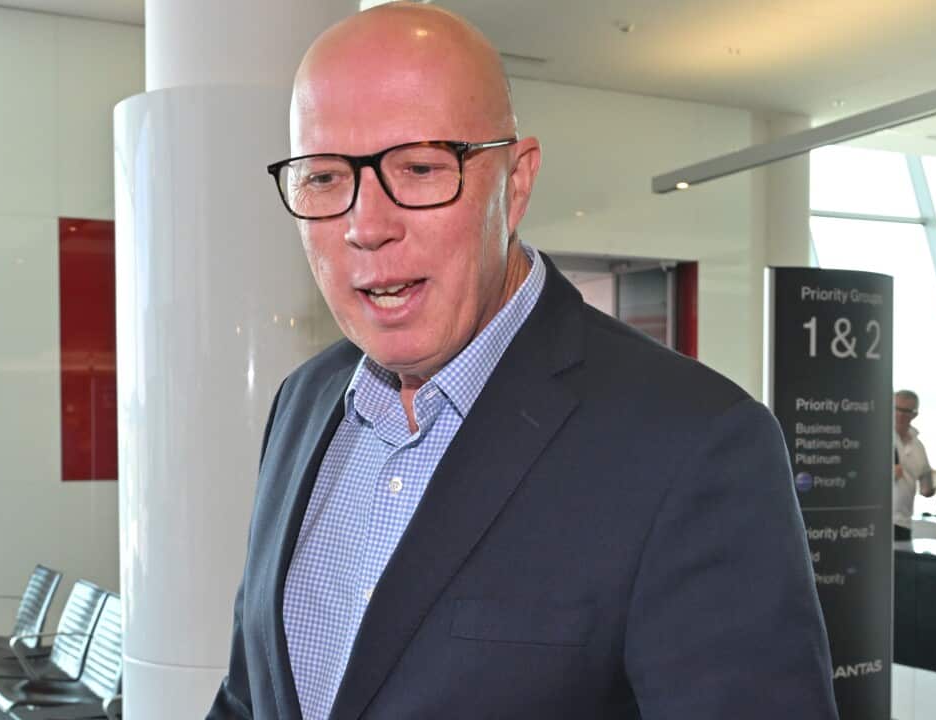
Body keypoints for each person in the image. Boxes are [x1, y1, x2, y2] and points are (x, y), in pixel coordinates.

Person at [207, 5, 837, 719]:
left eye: (418, 168)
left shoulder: (696, 446)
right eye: (322, 178)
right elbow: (247, 696)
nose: (366, 227)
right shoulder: (303, 400)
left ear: (517, 181)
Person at [893, 389, 936, 541]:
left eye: (906, 411)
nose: (900, 414)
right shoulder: (879, 437)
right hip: (880, 520)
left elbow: (926, 486)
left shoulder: (918, 446)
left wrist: (930, 486)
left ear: (914, 414)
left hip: (904, 522)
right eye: (896, 409)